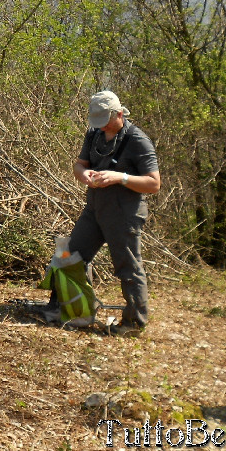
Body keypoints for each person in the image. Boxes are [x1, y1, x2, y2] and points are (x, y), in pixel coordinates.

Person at [68, 90, 161, 336]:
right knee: (73, 255)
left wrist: (121, 177)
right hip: (95, 207)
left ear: (119, 114)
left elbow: (154, 184)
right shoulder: (94, 134)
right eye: (97, 122)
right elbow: (80, 164)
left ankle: (134, 323)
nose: (102, 127)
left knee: (128, 267)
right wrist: (83, 175)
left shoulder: (138, 141)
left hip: (124, 213)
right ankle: (74, 310)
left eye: (106, 121)